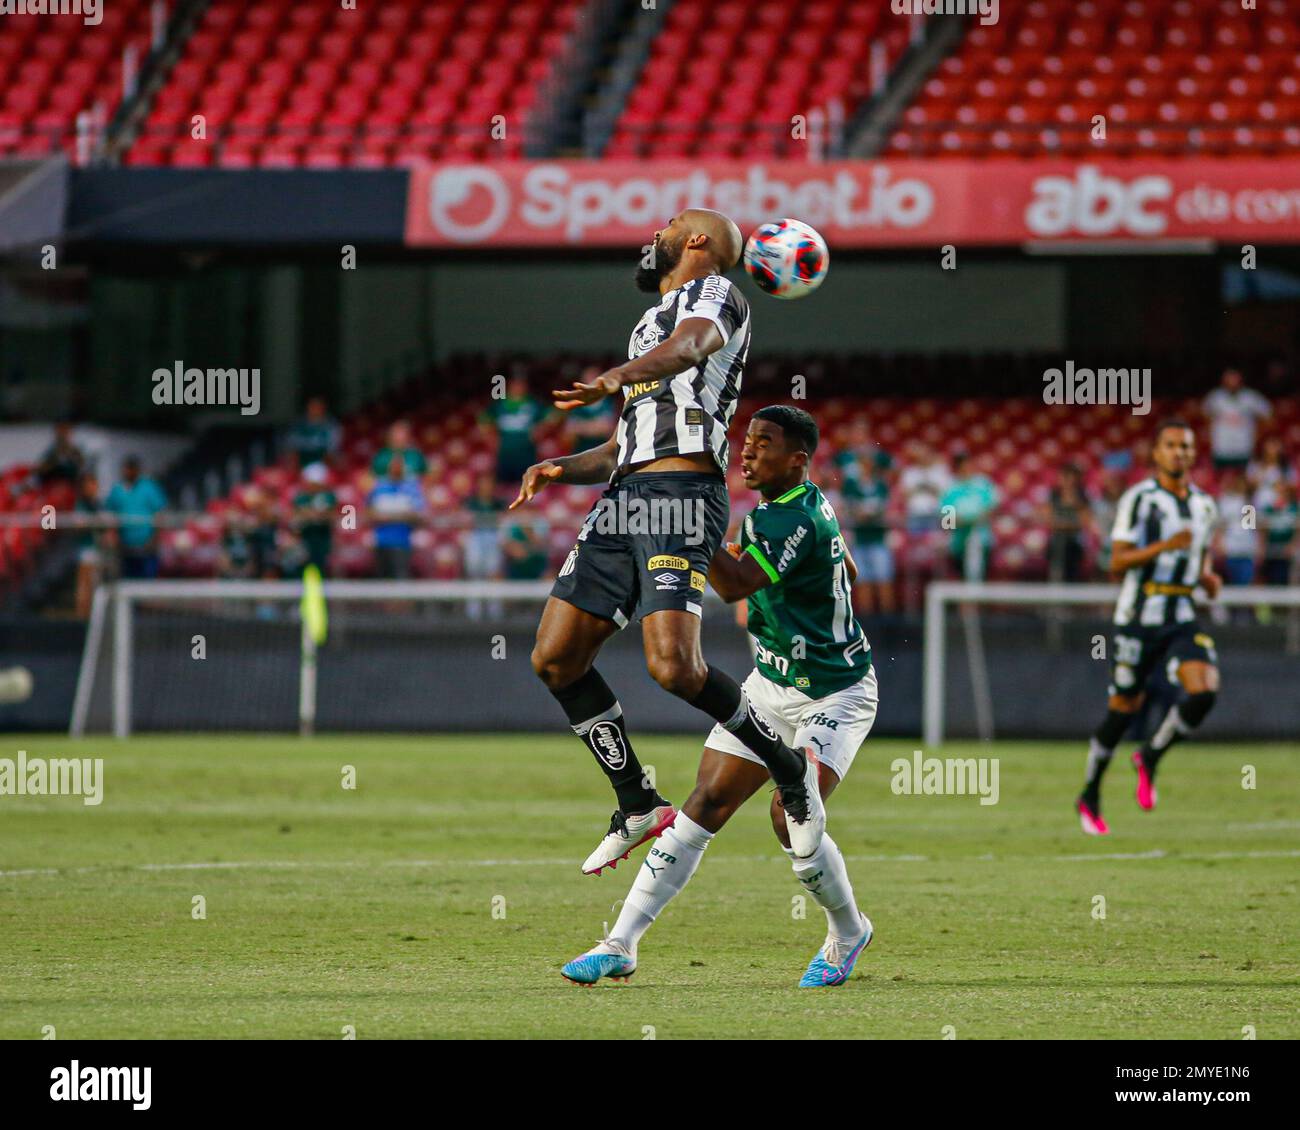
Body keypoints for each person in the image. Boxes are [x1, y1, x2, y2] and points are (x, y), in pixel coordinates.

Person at [512, 209, 824, 876]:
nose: (653, 235)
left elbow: (690, 348)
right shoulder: (650, 321)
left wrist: (620, 375)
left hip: (682, 497)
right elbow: (630, 443)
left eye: (668, 225)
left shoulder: (715, 294)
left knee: (674, 669)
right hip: (624, 497)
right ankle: (636, 803)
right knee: (555, 658)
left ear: (698, 241)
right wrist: (561, 466)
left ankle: (786, 765)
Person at [561, 407, 876, 988]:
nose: (747, 451)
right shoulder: (787, 510)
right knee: (705, 802)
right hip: (770, 687)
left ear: (798, 459)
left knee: (788, 816)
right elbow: (847, 568)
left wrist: (681, 530)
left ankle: (848, 931)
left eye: (764, 443)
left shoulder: (790, 520)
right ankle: (620, 942)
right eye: (747, 439)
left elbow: (734, 583)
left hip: (834, 695)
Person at [1075, 420, 1221, 836]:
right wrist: (1163, 546)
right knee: (1123, 710)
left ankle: (1152, 755)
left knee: (1205, 688)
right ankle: (1090, 792)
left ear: (1194, 454)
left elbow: (1201, 557)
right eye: (1171, 445)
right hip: (1138, 619)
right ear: (1156, 453)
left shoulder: (1205, 506)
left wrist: (1208, 577)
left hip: (1181, 616)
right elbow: (1116, 562)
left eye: (1186, 446)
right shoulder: (1139, 500)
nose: (1179, 452)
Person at [840, 450, 894, 615]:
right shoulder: (851, 485)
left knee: (883, 580)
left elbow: (888, 509)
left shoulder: (880, 485)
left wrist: (872, 513)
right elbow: (847, 509)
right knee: (863, 582)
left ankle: (887, 620)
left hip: (878, 538)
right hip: (860, 538)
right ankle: (868, 620)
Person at [104, 456, 166, 579]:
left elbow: (160, 514)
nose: (128, 471)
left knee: (147, 586)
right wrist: (113, 536)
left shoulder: (149, 487)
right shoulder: (118, 489)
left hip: (147, 549)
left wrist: (155, 539)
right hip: (124, 549)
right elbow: (110, 515)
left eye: (131, 468)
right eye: (126, 468)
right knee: (126, 585)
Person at [940, 451, 998, 581]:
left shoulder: (983, 484)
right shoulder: (950, 488)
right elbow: (946, 521)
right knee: (962, 579)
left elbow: (993, 508)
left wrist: (978, 519)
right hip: (959, 542)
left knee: (980, 577)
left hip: (982, 539)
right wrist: (963, 521)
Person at [367, 454, 426, 579]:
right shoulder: (379, 487)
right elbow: (368, 512)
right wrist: (396, 515)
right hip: (381, 540)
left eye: (399, 467)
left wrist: (393, 516)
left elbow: (419, 513)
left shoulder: (412, 488)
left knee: (400, 579)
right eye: (394, 467)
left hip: (402, 541)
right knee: (382, 579)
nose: (396, 470)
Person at [482, 373, 548, 485]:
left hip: (527, 453)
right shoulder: (500, 403)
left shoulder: (533, 403)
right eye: (515, 385)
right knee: (503, 485)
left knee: (526, 483)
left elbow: (551, 415)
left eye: (521, 385)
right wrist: (491, 438)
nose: (518, 388)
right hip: (505, 453)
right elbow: (484, 418)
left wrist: (540, 429)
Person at [1203, 367, 1271, 472]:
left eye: (1235, 380)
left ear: (1241, 381)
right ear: (1224, 382)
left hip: (1244, 447)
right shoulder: (1215, 397)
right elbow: (1205, 415)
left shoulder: (1251, 397)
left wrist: (1258, 433)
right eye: (1229, 380)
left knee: (1244, 481)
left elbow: (1267, 414)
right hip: (1221, 447)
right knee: (1220, 482)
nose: (1232, 384)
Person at [463, 472, 506, 619]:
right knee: (475, 574)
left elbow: (503, 521)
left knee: (493, 574)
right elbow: (464, 522)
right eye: (483, 483)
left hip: (493, 538)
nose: (486, 487)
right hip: (476, 537)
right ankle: (473, 614)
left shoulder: (498, 503)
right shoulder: (470, 502)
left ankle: (494, 613)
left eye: (489, 484)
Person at [1043, 462, 1093, 583]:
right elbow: (1048, 519)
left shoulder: (1082, 497)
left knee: (1073, 575)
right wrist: (1067, 525)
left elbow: (1085, 521)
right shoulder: (1054, 495)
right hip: (1057, 543)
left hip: (1074, 543)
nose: (1068, 482)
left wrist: (1064, 524)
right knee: (1056, 574)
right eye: (1065, 477)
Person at [291, 463, 337, 575]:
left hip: (323, 540)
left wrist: (311, 514)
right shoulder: (301, 497)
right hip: (305, 539)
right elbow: (295, 518)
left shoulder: (328, 497)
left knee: (323, 569)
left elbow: (332, 516)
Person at [1217, 468, 1259, 588]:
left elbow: (1249, 526)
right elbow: (1222, 525)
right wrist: (1220, 542)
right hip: (1230, 549)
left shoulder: (1249, 503)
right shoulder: (1226, 501)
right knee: (1231, 583)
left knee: (1244, 584)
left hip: (1246, 550)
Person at [562, 367, 617, 456]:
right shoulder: (577, 403)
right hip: (580, 452)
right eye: (589, 379)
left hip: (602, 453)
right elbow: (569, 432)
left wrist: (581, 426)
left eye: (594, 378)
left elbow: (608, 428)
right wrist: (595, 426)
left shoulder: (607, 402)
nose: (591, 382)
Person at [899, 442, 952, 533]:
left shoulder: (940, 471)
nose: (923, 457)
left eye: (926, 454)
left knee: (934, 543)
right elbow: (905, 494)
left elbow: (946, 494)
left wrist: (926, 487)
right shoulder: (910, 472)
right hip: (915, 514)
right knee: (914, 544)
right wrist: (922, 487)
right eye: (921, 455)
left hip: (935, 514)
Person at [74, 472, 106, 618]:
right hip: (86, 550)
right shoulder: (81, 505)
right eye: (87, 485)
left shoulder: (99, 504)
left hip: (99, 550)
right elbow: (79, 524)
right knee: (85, 585)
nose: (90, 488)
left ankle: (96, 615)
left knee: (97, 585)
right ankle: (83, 616)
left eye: (92, 485)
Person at [285, 397, 341, 470]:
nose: (315, 409)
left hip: (323, 466)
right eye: (312, 406)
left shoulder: (331, 426)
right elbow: (291, 450)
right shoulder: (297, 425)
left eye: (318, 406)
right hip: (300, 465)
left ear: (323, 408)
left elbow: (332, 452)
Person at [1260, 480, 1298, 587]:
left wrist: (1292, 545)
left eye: (1282, 491)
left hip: (1286, 548)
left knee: (1285, 578)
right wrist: (1262, 546)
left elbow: (1297, 529)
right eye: (1277, 491)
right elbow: (1263, 529)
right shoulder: (1269, 509)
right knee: (1271, 578)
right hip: (1272, 547)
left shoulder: (1294, 508)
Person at [35, 422, 87, 487]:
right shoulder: (50, 451)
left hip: (70, 487)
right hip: (51, 487)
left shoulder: (75, 451)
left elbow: (82, 467)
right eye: (60, 432)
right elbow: (40, 470)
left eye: (65, 432)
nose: (63, 436)